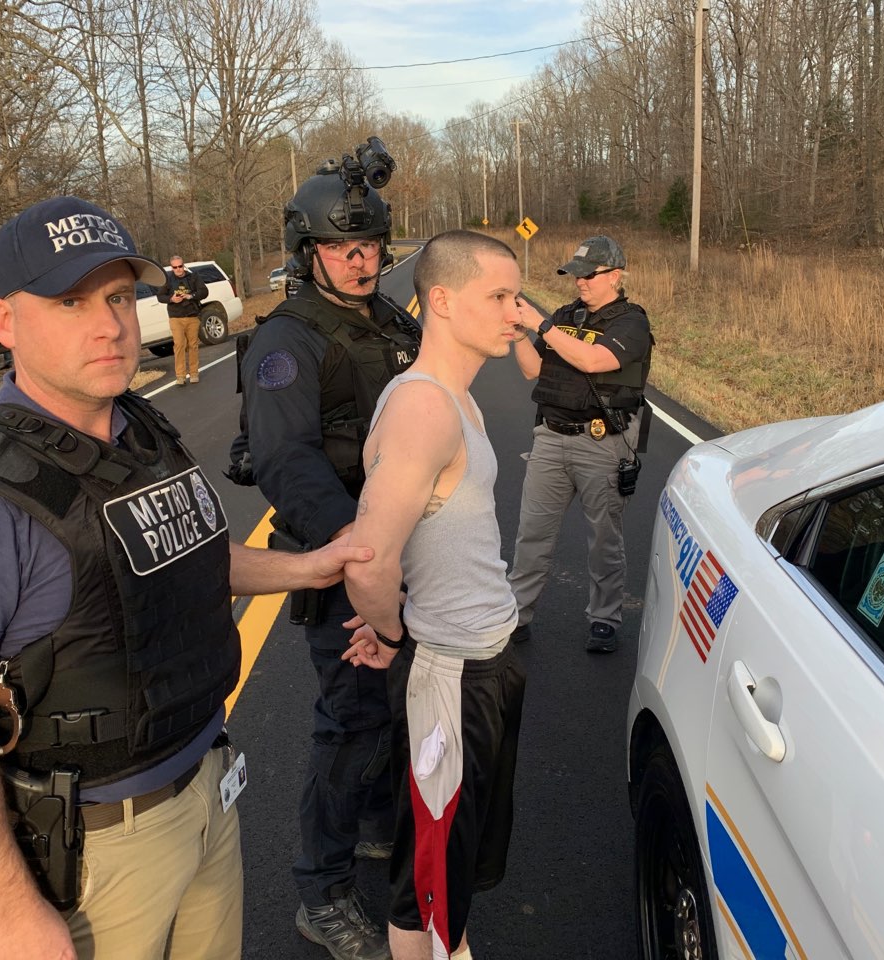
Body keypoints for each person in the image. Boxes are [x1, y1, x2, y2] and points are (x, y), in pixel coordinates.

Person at [0, 195, 372, 960]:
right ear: (5, 321)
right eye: (70, 302)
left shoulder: (143, 429)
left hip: (208, 789)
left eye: (115, 296)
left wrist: (315, 564)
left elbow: (194, 559)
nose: (107, 324)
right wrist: (9, 912)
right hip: (98, 853)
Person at [229, 145, 421, 960]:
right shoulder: (288, 337)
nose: (361, 260)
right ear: (308, 253)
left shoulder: (391, 321)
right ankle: (321, 889)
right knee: (348, 721)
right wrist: (358, 544)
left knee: (396, 710)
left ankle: (377, 827)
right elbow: (285, 460)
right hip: (343, 553)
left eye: (372, 246)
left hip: (404, 549)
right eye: (345, 247)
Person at [342, 230, 527, 960]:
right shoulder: (425, 409)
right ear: (442, 301)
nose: (517, 312)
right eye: (501, 297)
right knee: (427, 882)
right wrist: (392, 636)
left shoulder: (459, 401)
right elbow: (367, 559)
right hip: (450, 675)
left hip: (486, 661)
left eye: (518, 296)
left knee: (453, 866)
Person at [506, 235, 654, 653]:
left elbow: (594, 361)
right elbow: (533, 370)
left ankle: (604, 618)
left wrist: (541, 325)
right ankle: (517, 614)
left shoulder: (631, 323)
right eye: (577, 275)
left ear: (616, 275)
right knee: (531, 534)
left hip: (601, 443)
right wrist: (521, 332)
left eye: (590, 275)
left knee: (604, 539)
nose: (581, 283)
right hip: (551, 439)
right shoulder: (565, 316)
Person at [157, 254, 208, 387]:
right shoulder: (168, 280)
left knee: (193, 345)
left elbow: (204, 291)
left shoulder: (193, 277)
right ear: (172, 268)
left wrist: (191, 296)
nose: (178, 269)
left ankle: (194, 373)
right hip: (176, 317)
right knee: (179, 345)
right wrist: (171, 299)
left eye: (180, 266)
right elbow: (160, 296)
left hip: (192, 315)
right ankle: (180, 375)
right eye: (175, 267)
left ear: (183, 265)